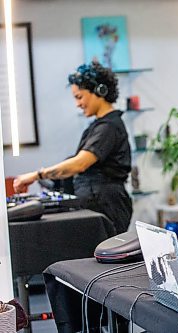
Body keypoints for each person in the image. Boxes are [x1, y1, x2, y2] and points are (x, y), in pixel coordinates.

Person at [14, 61, 132, 234]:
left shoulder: (109, 127)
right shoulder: (99, 126)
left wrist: (36, 175)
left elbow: (80, 164)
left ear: (100, 91)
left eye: (79, 97)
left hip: (107, 206)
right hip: (98, 202)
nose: (78, 104)